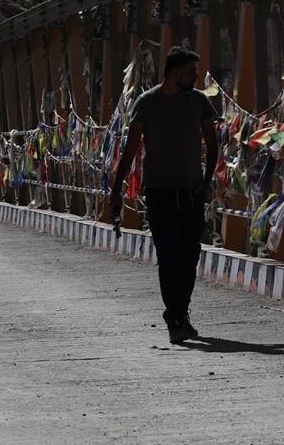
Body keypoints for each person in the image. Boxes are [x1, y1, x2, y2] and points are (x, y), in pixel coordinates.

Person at [110, 46, 219, 344]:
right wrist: (116, 191)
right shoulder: (148, 103)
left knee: (189, 256)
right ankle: (176, 316)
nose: (196, 78)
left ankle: (178, 313)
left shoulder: (199, 102)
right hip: (159, 193)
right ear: (174, 73)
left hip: (192, 192)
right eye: (191, 72)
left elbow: (213, 142)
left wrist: (207, 180)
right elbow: (130, 149)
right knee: (169, 256)